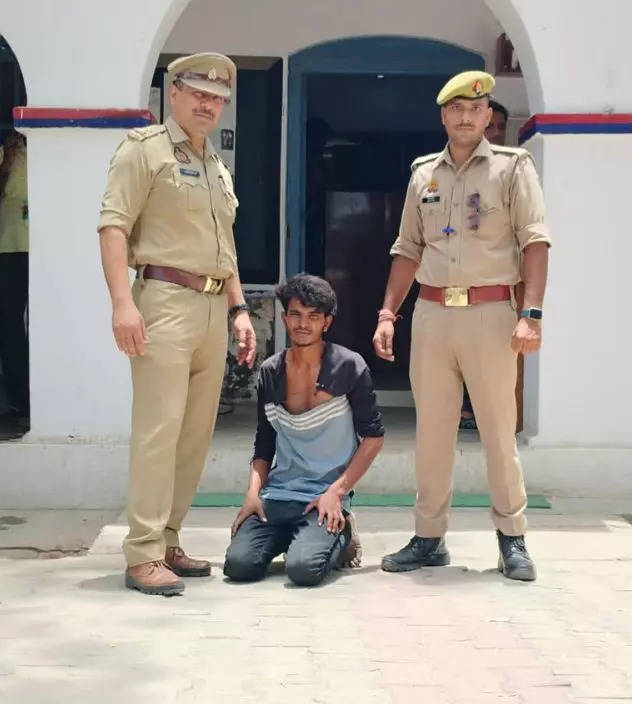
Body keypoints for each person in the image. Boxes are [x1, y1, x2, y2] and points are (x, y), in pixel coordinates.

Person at [373, 71, 550, 581]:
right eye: (456, 110)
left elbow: (535, 241)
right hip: (431, 315)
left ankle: (512, 539)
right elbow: (407, 248)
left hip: (492, 314)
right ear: (444, 116)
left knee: (497, 431)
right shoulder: (423, 174)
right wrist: (389, 314)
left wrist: (530, 314)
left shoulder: (513, 169)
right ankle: (429, 538)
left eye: (476, 109)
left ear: (488, 115)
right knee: (432, 433)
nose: (466, 117)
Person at [97, 52, 257, 596]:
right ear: (174, 93)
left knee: (193, 436)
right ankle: (141, 552)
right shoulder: (143, 151)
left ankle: (168, 539)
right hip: (163, 300)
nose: (209, 104)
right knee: (158, 432)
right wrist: (124, 304)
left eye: (218, 99)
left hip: (213, 306)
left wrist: (238, 308)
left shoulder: (215, 165)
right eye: (199, 94)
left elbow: (225, 247)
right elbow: (114, 226)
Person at [223, 274, 383, 586]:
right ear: (284, 318)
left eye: (313, 316)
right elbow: (265, 443)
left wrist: (336, 492)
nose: (303, 324)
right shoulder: (271, 372)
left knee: (303, 571)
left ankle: (342, 529)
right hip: (279, 495)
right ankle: (295, 538)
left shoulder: (350, 367)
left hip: (324, 498)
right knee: (238, 566)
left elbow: (374, 437)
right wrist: (252, 495)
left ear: (327, 322)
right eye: (295, 314)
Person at [459, 98, 510, 431]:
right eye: (489, 125)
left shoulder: (515, 170)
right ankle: (467, 408)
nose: (493, 132)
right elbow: (470, 226)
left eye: (499, 127)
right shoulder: (461, 173)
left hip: (506, 286)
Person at [0, 130, 30, 427]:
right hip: (9, 249)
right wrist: (8, 161)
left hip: (47, 255)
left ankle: (43, 398)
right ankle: (18, 399)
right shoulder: (9, 151)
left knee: (48, 327)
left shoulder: (53, 151)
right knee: (9, 325)